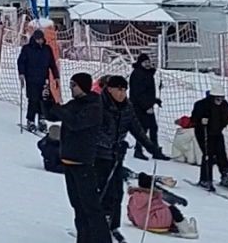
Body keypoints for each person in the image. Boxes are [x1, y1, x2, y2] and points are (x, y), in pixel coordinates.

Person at [96, 75, 167, 241]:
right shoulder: (99, 105)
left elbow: (136, 128)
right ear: (109, 89)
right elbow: (95, 131)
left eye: (124, 90)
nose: (121, 93)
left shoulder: (127, 107)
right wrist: (112, 144)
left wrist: (151, 147)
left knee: (117, 193)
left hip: (116, 156)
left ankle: (113, 226)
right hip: (99, 156)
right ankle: (96, 225)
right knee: (102, 191)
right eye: (118, 89)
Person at [43, 73, 108, 243]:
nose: (71, 88)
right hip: (68, 162)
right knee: (78, 207)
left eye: (74, 85)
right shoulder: (74, 104)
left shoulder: (94, 106)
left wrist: (58, 108)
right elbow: (53, 115)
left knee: (91, 208)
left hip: (83, 163)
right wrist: (47, 100)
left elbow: (75, 123)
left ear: (83, 86)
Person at [189, 91, 228, 193]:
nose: (220, 101)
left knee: (221, 154)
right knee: (208, 154)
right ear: (212, 97)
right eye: (218, 99)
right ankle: (205, 179)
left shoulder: (224, 105)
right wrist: (201, 121)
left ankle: (225, 176)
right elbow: (193, 118)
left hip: (217, 132)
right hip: (203, 132)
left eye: (222, 98)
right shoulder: (201, 105)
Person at [126, 173, 196, 238]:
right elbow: (160, 207)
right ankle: (186, 229)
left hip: (141, 223)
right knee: (171, 209)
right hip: (157, 223)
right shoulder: (152, 195)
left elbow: (130, 213)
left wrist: (137, 222)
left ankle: (175, 225)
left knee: (158, 212)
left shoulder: (133, 197)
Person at [17, 29, 60, 132]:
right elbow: (21, 62)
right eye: (38, 39)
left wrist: (56, 76)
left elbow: (52, 64)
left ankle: (42, 119)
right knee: (33, 100)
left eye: (41, 39)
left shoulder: (47, 49)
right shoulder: (27, 49)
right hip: (31, 78)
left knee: (44, 100)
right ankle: (30, 120)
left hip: (44, 78)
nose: (40, 41)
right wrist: (21, 74)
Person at [129, 53, 163, 160]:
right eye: (145, 62)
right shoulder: (138, 74)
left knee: (152, 128)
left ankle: (155, 150)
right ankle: (139, 150)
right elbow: (138, 94)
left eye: (148, 62)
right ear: (140, 63)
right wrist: (147, 106)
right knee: (143, 129)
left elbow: (147, 92)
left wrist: (155, 100)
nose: (148, 64)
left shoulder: (146, 74)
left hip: (146, 106)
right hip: (140, 107)